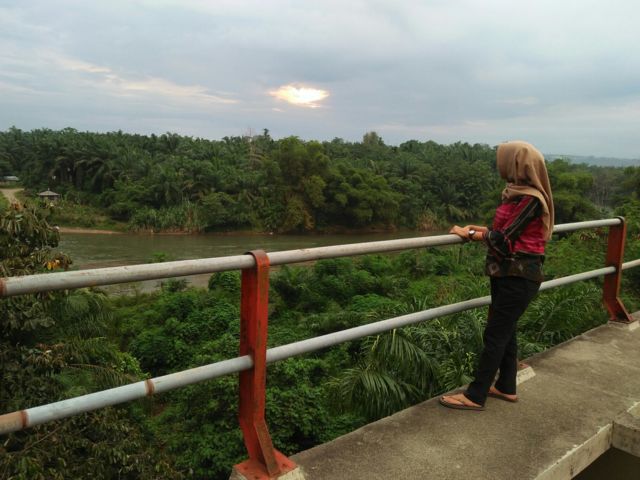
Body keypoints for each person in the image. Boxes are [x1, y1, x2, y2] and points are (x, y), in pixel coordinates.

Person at [439, 140, 554, 411]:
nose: (498, 163)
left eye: (502, 159)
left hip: (519, 277)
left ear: (516, 163)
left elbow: (503, 239)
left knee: (495, 334)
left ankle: (475, 395)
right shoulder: (516, 194)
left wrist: (469, 234)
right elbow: (503, 230)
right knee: (506, 330)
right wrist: (477, 229)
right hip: (506, 275)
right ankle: (506, 387)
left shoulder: (531, 199)